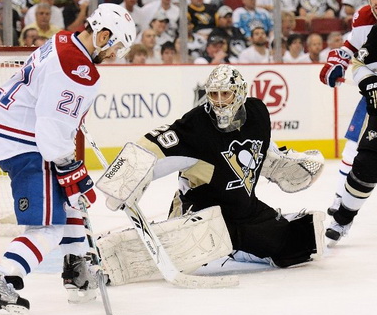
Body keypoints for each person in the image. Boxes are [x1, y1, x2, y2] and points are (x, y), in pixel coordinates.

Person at [0, 3, 136, 315]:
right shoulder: (77, 68)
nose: (116, 54)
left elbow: (49, 102)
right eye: (116, 46)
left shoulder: (65, 40)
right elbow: (50, 126)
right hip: (28, 143)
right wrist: (70, 169)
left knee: (73, 205)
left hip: (18, 132)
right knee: (48, 227)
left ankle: (77, 273)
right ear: (102, 35)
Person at [95, 64, 325, 286]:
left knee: (298, 245)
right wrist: (125, 175)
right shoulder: (198, 125)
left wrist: (286, 163)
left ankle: (237, 249)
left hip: (246, 211)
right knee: (182, 251)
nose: (219, 101)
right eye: (213, 94)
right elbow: (156, 145)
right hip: (204, 214)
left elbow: (261, 150)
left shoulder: (258, 114)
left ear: (241, 93)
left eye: (226, 93)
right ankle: (102, 259)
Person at [318, 0, 377, 242]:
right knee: (360, 155)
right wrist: (338, 60)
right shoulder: (366, 19)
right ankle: (342, 203)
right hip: (375, 97)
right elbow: (354, 54)